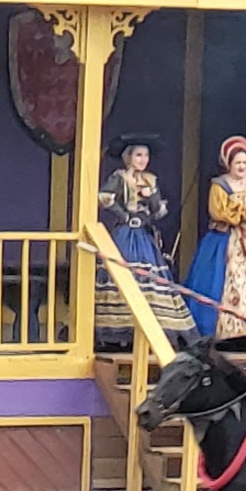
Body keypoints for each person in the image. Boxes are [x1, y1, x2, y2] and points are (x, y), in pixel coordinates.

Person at [95, 133, 199, 350]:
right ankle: (119, 333)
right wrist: (123, 215)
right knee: (123, 276)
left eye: (146, 155)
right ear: (128, 157)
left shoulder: (151, 180)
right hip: (125, 235)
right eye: (138, 155)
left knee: (150, 279)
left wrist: (149, 197)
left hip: (143, 236)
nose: (143, 160)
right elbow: (105, 198)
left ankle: (153, 330)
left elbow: (159, 211)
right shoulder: (120, 177)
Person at [183, 135, 246, 339]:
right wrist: (245, 207)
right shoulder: (220, 185)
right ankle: (231, 330)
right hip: (228, 241)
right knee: (223, 282)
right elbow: (220, 212)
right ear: (228, 164)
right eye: (238, 163)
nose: (242, 167)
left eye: (245, 162)